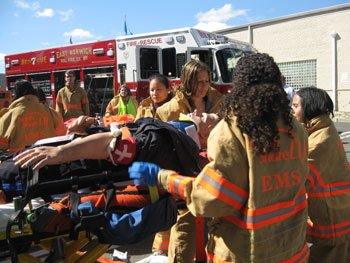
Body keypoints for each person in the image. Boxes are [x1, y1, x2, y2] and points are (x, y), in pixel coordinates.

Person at [127, 53, 310, 262]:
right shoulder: (296, 129)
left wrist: (162, 178)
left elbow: (212, 198)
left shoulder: (234, 130)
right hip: (294, 250)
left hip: (247, 252)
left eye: (207, 81)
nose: (204, 86)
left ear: (240, 85)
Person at [154, 59, 224, 262]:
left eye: (207, 81)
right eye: (198, 82)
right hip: (183, 180)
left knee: (216, 235)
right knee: (183, 233)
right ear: (186, 81)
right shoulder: (167, 111)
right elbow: (160, 148)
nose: (204, 87)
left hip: (214, 177)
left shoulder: (220, 103)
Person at [292, 87, 350, 263]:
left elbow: (298, 177)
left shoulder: (319, 141)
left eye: (295, 106)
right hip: (336, 209)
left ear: (309, 108)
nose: (291, 110)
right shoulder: (321, 129)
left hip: (332, 215)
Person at [0, 80, 67, 154]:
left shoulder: (9, 116)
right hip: (47, 159)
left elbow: (2, 144)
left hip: (21, 161)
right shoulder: (50, 112)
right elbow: (62, 134)